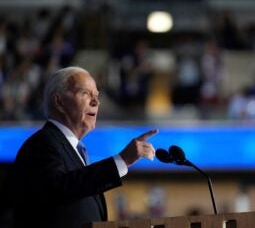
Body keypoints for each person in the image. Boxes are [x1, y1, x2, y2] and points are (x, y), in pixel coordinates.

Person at [12, 66, 158, 228]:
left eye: (96, 95)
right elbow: (59, 189)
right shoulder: (42, 143)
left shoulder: (74, 149)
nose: (95, 102)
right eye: (85, 94)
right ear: (59, 101)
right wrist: (121, 161)